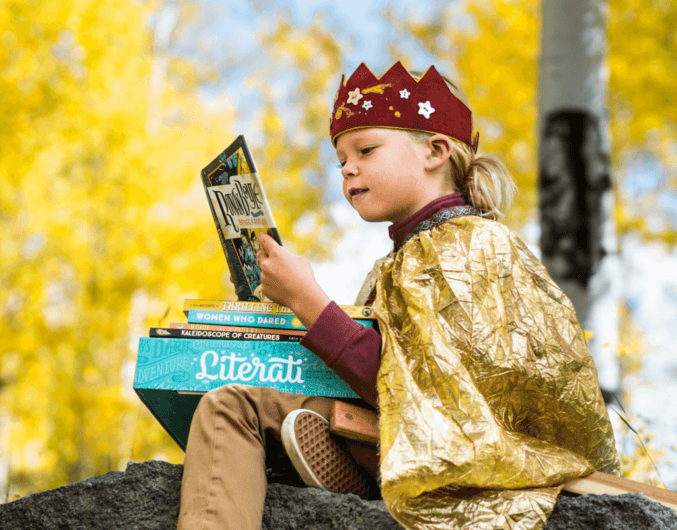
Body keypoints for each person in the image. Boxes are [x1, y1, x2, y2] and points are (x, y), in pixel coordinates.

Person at [177, 61, 620, 530]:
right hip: (395, 430)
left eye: (366, 150)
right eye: (341, 160)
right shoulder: (397, 263)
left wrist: (308, 301)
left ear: (435, 151)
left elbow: (428, 399)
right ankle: (340, 462)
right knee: (245, 400)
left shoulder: (474, 247)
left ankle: (358, 471)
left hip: (463, 454)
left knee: (232, 407)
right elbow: (396, 377)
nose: (348, 168)